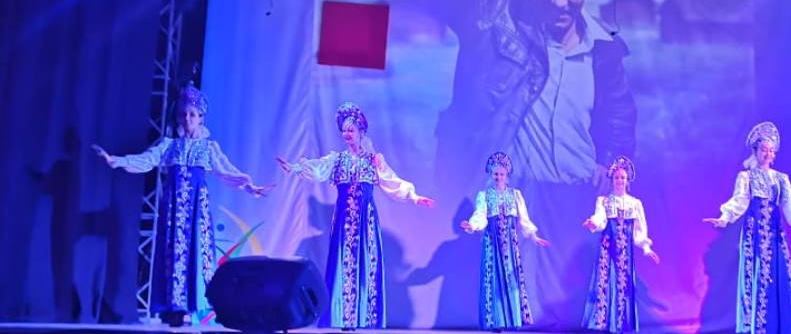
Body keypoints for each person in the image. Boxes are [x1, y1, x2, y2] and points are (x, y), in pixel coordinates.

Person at [406, 0, 637, 193]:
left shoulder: (603, 47)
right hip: (499, 193)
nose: (560, 1)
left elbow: (618, 115)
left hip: (578, 197)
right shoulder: (491, 15)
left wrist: (608, 160)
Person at [92, 84, 272, 324]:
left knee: (197, 250)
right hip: (174, 210)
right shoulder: (169, 145)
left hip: (196, 209)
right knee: (173, 251)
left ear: (201, 118)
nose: (187, 119)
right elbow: (146, 160)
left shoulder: (209, 148)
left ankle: (195, 304)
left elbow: (227, 171)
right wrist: (115, 160)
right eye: (183, 114)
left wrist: (249, 186)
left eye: (192, 114)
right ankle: (174, 306)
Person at [276, 102, 435, 329]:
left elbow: (392, 181)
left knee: (366, 261)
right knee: (343, 262)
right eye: (344, 130)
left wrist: (414, 196)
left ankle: (364, 317)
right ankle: (343, 317)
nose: (346, 134)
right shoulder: (337, 159)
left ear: (361, 132)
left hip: (365, 220)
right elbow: (317, 168)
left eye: (351, 130)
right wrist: (295, 168)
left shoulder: (373, 160)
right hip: (343, 220)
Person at [703, 122, 791, 334]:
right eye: (764, 150)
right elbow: (739, 202)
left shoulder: (781, 179)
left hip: (775, 235)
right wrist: (724, 218)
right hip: (755, 235)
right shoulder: (746, 177)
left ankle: (781, 326)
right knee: (757, 276)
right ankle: (759, 327)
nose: (768, 154)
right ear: (756, 151)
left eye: (771, 151)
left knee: (778, 276)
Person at [460, 152, 551, 330]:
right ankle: (496, 321)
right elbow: (480, 216)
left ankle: (512, 318)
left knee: (510, 279)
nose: (498, 177)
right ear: (491, 174)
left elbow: (524, 221)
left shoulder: (515, 195)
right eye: (495, 174)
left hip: (510, 244)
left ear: (507, 175)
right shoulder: (485, 196)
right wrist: (472, 225)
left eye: (501, 174)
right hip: (492, 242)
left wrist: (534, 237)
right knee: (494, 278)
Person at [581, 156, 659, 332]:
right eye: (617, 177)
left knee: (623, 286)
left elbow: (640, 230)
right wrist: (592, 223)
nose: (620, 181)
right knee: (607, 283)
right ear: (612, 179)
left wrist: (646, 248)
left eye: (622, 177)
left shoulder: (635, 204)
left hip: (625, 253)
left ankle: (622, 324)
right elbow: (600, 219)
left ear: (627, 180)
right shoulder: (604, 201)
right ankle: (606, 324)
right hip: (607, 250)